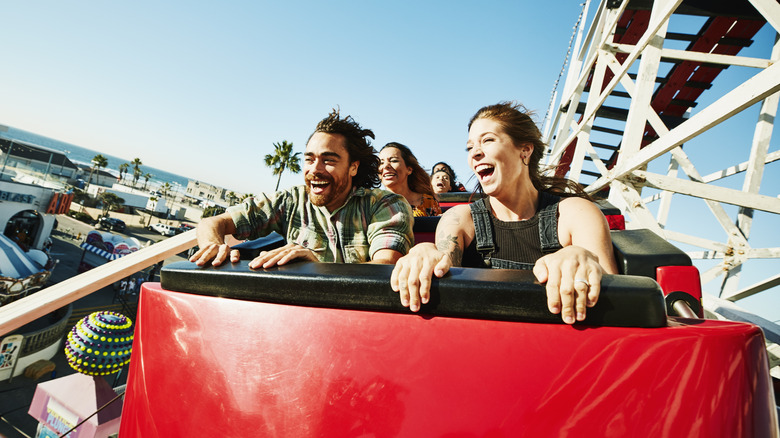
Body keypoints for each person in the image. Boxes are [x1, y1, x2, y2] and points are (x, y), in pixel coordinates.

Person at [391, 102, 618, 324]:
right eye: (470, 148)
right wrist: (424, 252)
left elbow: (620, 298)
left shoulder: (575, 213)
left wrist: (581, 258)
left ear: (525, 150)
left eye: (488, 140)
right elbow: (442, 267)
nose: (475, 153)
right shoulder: (460, 219)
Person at [190, 109, 414, 268]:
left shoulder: (384, 205)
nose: (315, 169)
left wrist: (317, 268)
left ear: (353, 167)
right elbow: (212, 222)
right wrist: (213, 247)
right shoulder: (292, 200)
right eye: (309, 159)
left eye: (329, 160)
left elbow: (384, 268)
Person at [378, 142, 441, 217]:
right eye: (381, 163)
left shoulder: (429, 202)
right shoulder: (372, 203)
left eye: (393, 161)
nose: (385, 166)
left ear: (409, 169)